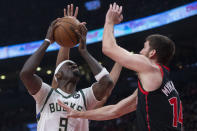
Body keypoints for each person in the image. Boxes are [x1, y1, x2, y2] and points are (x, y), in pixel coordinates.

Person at [58, 3, 183, 131]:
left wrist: (109, 21)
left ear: (152, 53)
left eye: (144, 48)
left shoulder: (150, 67)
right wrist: (79, 114)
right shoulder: (159, 83)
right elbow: (114, 111)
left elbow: (108, 48)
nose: (140, 52)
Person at [20, 4, 123, 131]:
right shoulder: (47, 94)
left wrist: (84, 51)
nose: (73, 64)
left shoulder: (84, 98)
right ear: (58, 76)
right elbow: (26, 74)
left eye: (73, 64)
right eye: (69, 65)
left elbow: (106, 84)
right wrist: (48, 40)